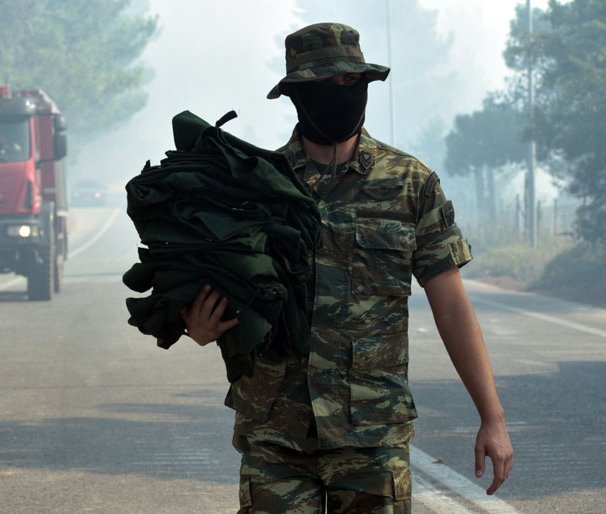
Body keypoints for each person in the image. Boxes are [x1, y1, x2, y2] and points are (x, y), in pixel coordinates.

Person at [181, 22, 513, 513]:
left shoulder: (409, 184)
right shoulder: (256, 186)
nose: (340, 95)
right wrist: (197, 327)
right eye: (323, 86)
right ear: (296, 97)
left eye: (350, 83)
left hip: (372, 435)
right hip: (276, 436)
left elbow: (452, 306)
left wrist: (493, 417)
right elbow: (208, 293)